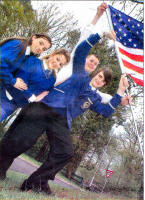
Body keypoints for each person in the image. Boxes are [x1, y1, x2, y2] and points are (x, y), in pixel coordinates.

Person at [0, 30, 130, 196]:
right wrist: (101, 34)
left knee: (66, 152)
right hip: (44, 107)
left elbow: (105, 111)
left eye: (101, 79)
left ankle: (36, 181)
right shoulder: (78, 71)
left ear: (103, 84)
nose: (98, 78)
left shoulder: (94, 97)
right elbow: (82, 48)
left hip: (61, 119)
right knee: (20, 141)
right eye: (97, 73)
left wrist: (119, 93)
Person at [0, 49, 70, 121]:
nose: (57, 64)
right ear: (53, 54)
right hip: (4, 94)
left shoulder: (52, 79)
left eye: (60, 64)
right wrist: (32, 97)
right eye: (57, 59)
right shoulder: (33, 61)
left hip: (13, 105)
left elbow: (47, 93)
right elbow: (22, 80)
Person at [0, 33, 52, 120]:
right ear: (34, 38)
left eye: (44, 49)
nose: (40, 49)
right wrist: (13, 81)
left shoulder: (28, 56)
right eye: (41, 43)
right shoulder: (18, 45)